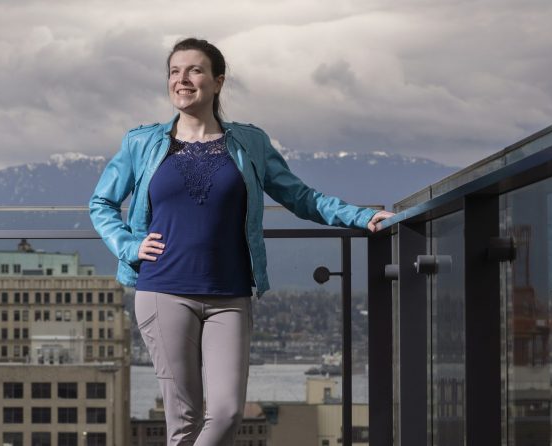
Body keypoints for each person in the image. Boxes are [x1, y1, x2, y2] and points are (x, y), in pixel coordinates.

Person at [89, 37, 393, 446]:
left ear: (217, 81)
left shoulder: (250, 143)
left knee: (228, 413)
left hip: (229, 295)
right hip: (162, 291)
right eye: (175, 71)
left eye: (194, 70)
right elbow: (101, 202)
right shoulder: (141, 143)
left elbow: (301, 197)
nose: (183, 79)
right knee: (183, 422)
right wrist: (128, 246)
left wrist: (361, 215)